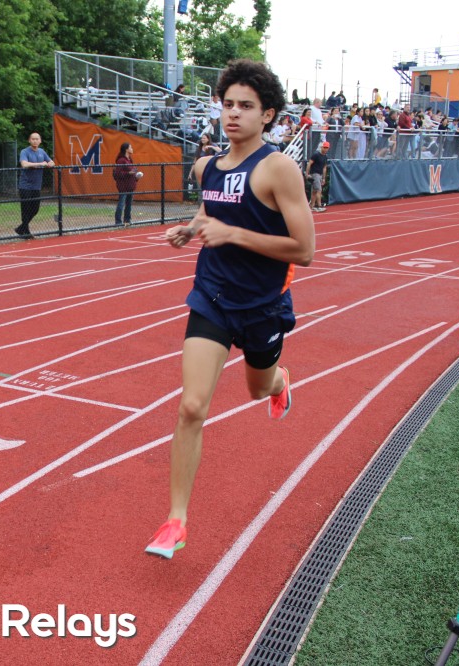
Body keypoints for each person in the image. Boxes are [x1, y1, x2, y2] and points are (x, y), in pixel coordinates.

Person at [146, 59, 315, 560]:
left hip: (262, 305)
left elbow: (304, 250)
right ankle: (175, 521)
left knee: (256, 388)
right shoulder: (207, 167)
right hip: (213, 296)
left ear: (268, 115)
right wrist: (193, 228)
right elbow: (212, 211)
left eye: (246, 106)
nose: (234, 113)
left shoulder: (278, 169)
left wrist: (232, 234)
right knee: (191, 406)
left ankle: (280, 382)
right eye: (228, 104)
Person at [14, 132, 54, 239]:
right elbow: (24, 164)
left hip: (36, 186)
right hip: (25, 185)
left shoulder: (42, 152)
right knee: (26, 208)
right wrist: (40, 164)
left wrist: (49, 164)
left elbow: (51, 162)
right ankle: (25, 232)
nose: (35, 141)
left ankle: (21, 228)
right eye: (33, 139)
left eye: (37, 139)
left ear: (40, 141)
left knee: (35, 208)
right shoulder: (25, 151)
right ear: (29, 140)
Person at [113, 142, 141, 226]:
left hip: (130, 185)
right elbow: (118, 174)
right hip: (123, 186)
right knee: (121, 203)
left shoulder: (129, 160)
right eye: (130, 147)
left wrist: (136, 176)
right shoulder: (121, 160)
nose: (132, 149)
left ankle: (127, 220)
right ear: (126, 149)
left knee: (129, 204)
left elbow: (132, 171)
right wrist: (128, 173)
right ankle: (118, 221)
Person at [306, 141, 330, 212]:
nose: (325, 149)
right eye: (324, 147)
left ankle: (311, 206)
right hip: (314, 174)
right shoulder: (316, 155)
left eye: (327, 148)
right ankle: (319, 206)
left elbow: (324, 168)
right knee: (319, 190)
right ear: (321, 147)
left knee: (314, 191)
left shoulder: (325, 157)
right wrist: (307, 174)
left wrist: (323, 178)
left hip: (320, 174)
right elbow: (309, 163)